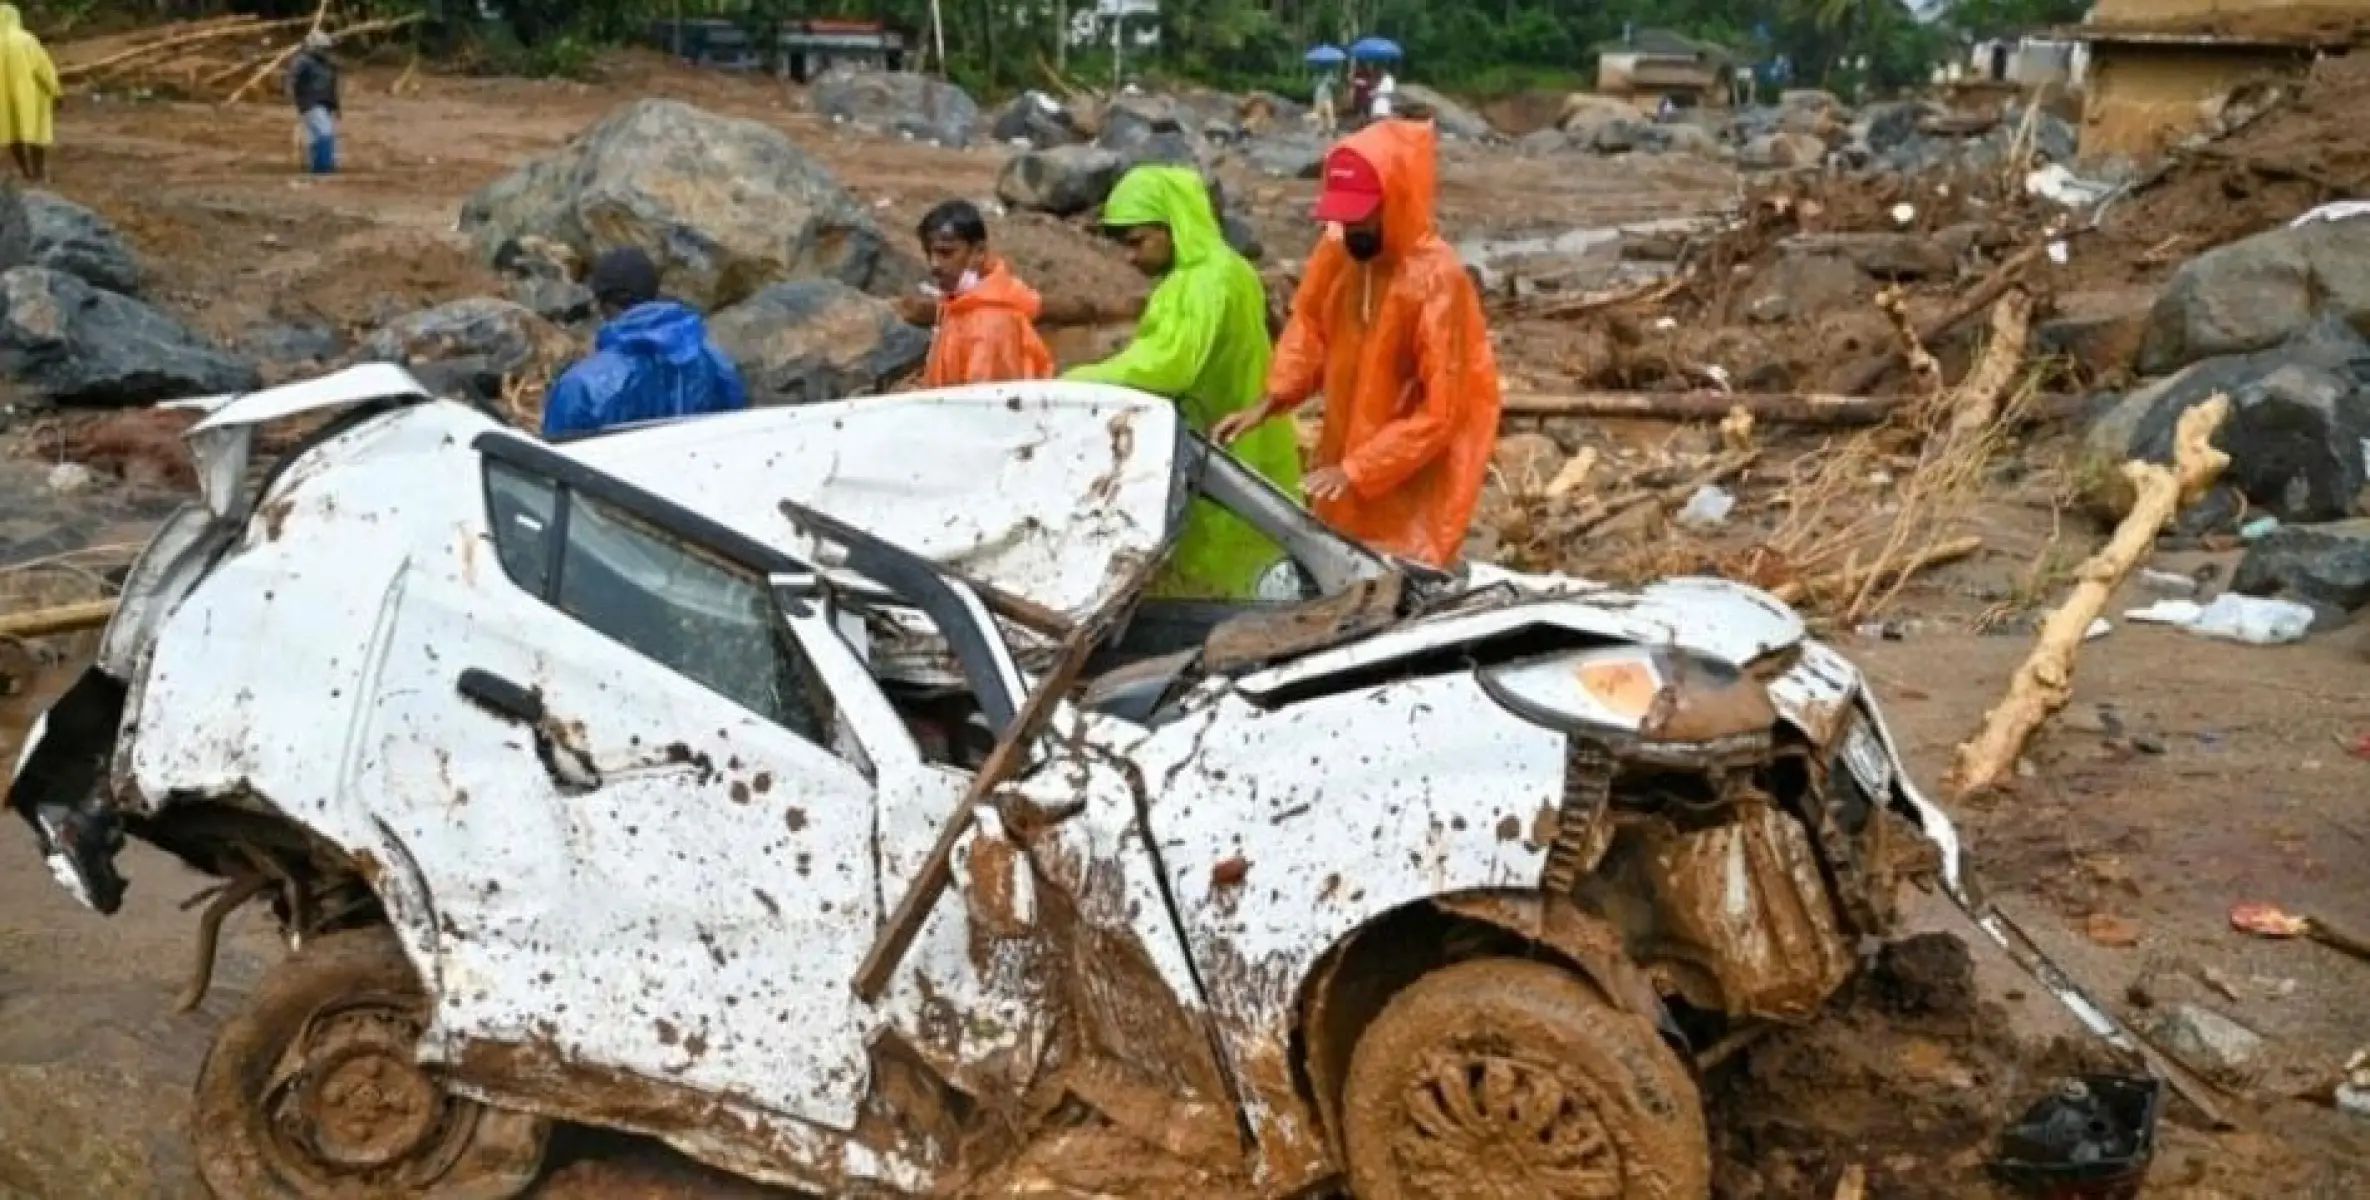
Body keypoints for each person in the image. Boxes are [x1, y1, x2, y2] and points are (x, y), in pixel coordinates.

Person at [1213, 119, 1501, 570]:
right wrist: (1270, 401)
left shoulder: (1436, 279)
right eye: (1343, 214)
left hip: (1411, 464)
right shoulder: (1340, 252)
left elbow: (1442, 410)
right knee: (1342, 553)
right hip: (1347, 446)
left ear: (1396, 198)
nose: (1350, 226)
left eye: (1362, 213)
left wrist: (1361, 468)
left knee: (1406, 564)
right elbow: (1309, 328)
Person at [1063, 165, 1300, 598]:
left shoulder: (1200, 282)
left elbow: (1169, 364)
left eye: (1138, 242)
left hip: (1218, 452)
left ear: (1173, 225)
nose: (1130, 258)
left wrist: (1077, 381)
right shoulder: (1231, 268)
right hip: (1243, 445)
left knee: (1214, 583)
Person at [542, 248, 749, 439]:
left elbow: (553, 468)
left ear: (601, 303)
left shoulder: (581, 386)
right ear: (653, 293)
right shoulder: (717, 363)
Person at [902, 199, 1054, 388]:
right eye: (929, 253)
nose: (934, 265)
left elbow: (983, 405)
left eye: (946, 253)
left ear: (979, 252)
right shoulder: (960, 306)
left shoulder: (992, 322)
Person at [0, 5, 58, 185]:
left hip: (5, 98)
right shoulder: (27, 40)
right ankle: (39, 173)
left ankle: (25, 171)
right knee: (37, 132)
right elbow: (43, 67)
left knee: (13, 133)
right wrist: (55, 90)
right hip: (33, 95)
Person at [287, 31, 339, 175]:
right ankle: (323, 166)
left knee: (315, 136)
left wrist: (336, 106)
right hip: (310, 102)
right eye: (323, 48)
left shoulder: (329, 64)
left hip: (325, 102)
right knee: (324, 132)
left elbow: (332, 86)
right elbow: (291, 78)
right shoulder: (303, 61)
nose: (326, 51)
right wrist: (290, 94)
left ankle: (317, 166)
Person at [1312, 71, 1337, 136]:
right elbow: (1314, 83)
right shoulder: (1316, 74)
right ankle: (1321, 129)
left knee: (1330, 113)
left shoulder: (1329, 73)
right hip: (1318, 96)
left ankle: (1333, 129)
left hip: (1327, 97)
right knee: (1320, 114)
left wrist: (1330, 80)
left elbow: (1335, 83)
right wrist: (1317, 79)